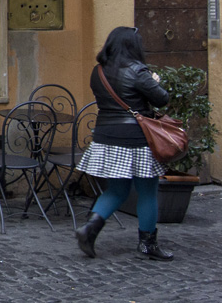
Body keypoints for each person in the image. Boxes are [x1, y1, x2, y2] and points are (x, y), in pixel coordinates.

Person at [74, 26, 173, 261]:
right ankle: (148, 244)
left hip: (106, 135)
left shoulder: (97, 72)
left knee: (117, 189)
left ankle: (89, 229)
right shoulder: (138, 71)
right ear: (133, 46)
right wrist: (155, 80)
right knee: (147, 190)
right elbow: (162, 99)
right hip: (136, 137)